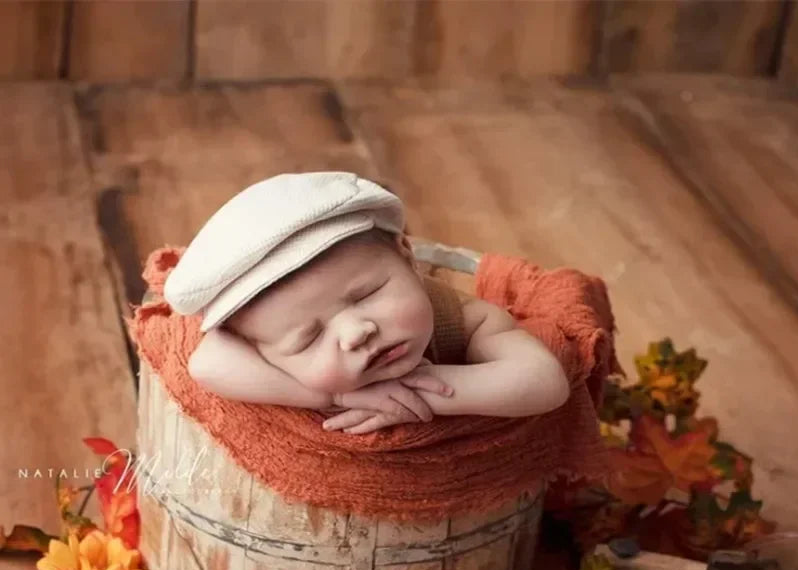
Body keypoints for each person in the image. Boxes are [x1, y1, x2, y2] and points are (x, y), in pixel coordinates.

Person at [163, 171, 569, 435]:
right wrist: (335, 397)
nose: (356, 333)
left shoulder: (464, 318)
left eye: (367, 295)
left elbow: (543, 382)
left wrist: (418, 393)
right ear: (259, 348)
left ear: (408, 258)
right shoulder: (254, 343)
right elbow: (205, 365)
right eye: (309, 338)